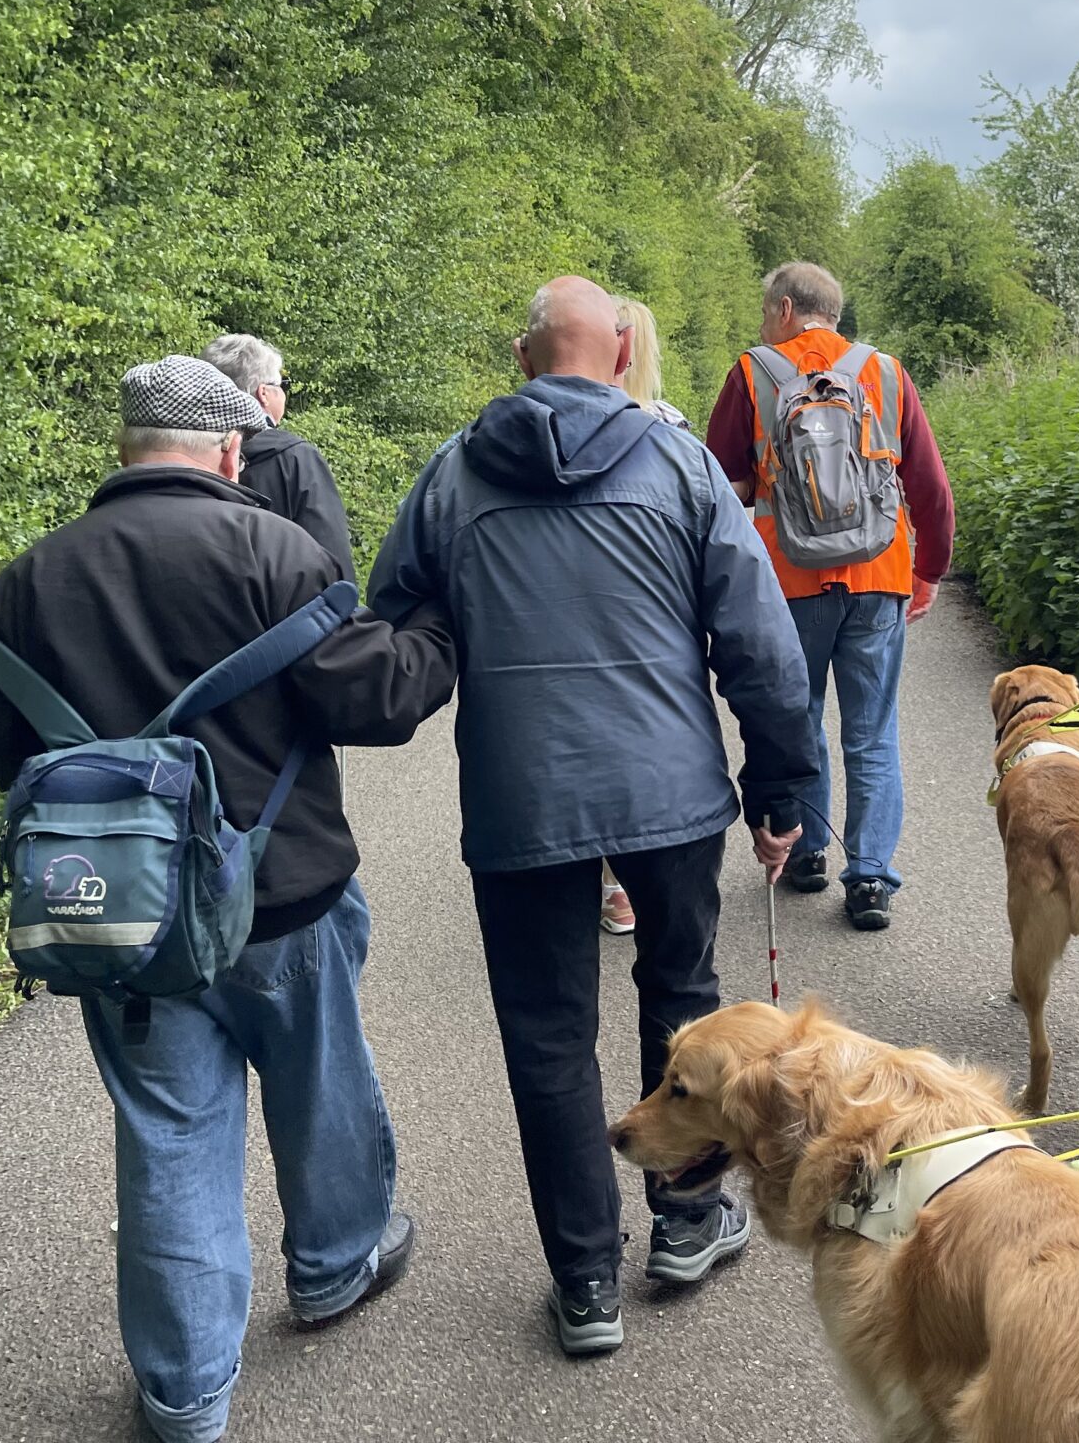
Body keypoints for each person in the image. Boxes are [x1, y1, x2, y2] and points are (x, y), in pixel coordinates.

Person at [0, 355, 458, 1443]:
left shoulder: (35, 577)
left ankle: (185, 1398)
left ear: (129, 450)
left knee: (172, 1138)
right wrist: (433, 644)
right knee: (320, 1086)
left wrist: (116, 821)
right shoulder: (275, 551)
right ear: (234, 451)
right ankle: (332, 1267)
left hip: (122, 921)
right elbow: (371, 701)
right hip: (281, 897)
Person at [367, 276, 817, 1358]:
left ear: (524, 359)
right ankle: (687, 1219)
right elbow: (758, 639)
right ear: (620, 354)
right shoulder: (676, 463)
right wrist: (781, 783)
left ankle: (582, 1284)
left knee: (547, 1035)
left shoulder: (452, 472)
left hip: (521, 792)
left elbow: (391, 621)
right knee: (682, 994)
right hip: (667, 790)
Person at [701, 261, 954, 932]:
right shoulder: (886, 372)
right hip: (880, 573)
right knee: (872, 733)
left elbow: (718, 483)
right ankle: (870, 876)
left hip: (790, 579)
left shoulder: (753, 371)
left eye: (765, 310)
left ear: (786, 308)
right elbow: (928, 484)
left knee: (801, 717)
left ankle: (809, 850)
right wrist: (928, 569)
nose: (762, 323)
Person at [598, 296, 689, 936]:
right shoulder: (672, 429)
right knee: (652, 743)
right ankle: (638, 880)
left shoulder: (539, 426)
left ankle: (606, 881)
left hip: (584, 619)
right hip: (658, 625)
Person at [203, 331, 353, 579]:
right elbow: (330, 561)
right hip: (285, 611)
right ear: (263, 393)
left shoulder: (185, 450)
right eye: (282, 386)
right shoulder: (295, 458)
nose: (284, 392)